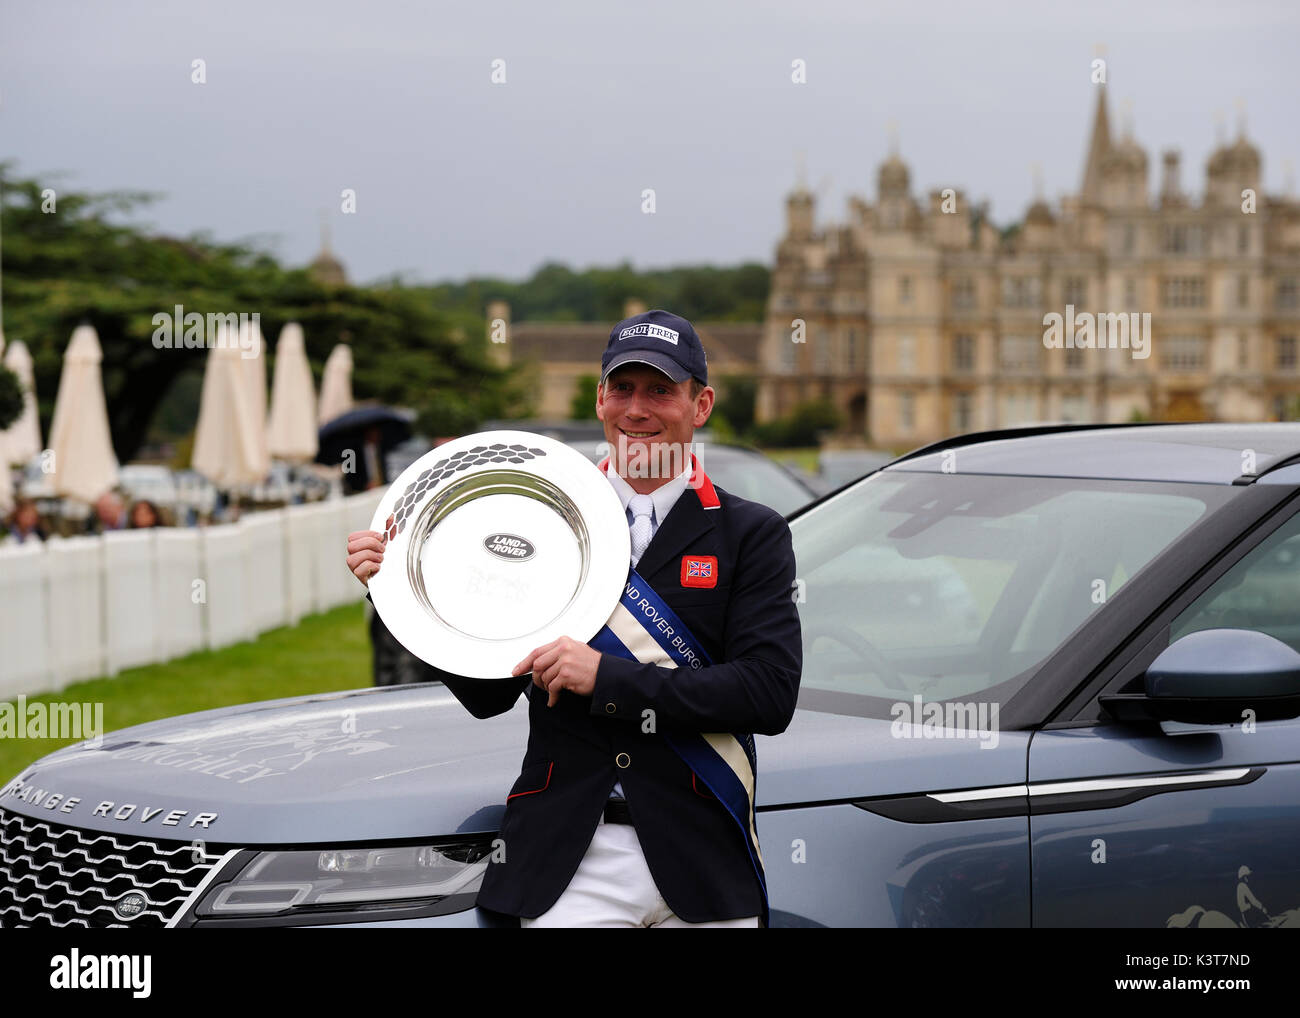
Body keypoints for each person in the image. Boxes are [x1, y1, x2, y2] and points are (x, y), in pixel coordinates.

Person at [345, 309, 803, 927]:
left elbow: (768, 695)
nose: (637, 410)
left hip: (704, 859)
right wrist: (394, 592)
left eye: (661, 391)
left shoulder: (752, 533)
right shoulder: (543, 524)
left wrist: (606, 678)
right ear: (600, 400)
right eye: (623, 389)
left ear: (701, 405)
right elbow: (487, 695)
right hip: (568, 864)